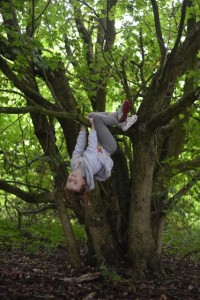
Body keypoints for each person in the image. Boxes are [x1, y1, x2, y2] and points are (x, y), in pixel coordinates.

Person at [65, 100, 138, 193]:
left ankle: (117, 115)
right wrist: (92, 127)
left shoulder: (74, 165)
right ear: (83, 182)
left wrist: (82, 130)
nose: (72, 178)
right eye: (75, 183)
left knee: (90, 115)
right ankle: (121, 122)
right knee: (96, 118)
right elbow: (92, 147)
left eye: (69, 180)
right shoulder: (91, 168)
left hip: (98, 143)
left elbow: (78, 149)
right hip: (108, 146)